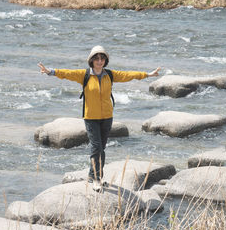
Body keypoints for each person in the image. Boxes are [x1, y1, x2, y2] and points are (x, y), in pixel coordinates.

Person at [38, 45, 160, 191]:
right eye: (96, 58)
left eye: (102, 58)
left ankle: (92, 175)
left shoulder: (110, 75)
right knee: (96, 148)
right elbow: (66, 73)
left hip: (107, 117)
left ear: (105, 61)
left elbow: (128, 75)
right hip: (91, 117)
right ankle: (97, 179)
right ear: (91, 60)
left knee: (101, 149)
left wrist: (148, 75)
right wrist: (50, 71)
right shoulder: (84, 75)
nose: (99, 61)